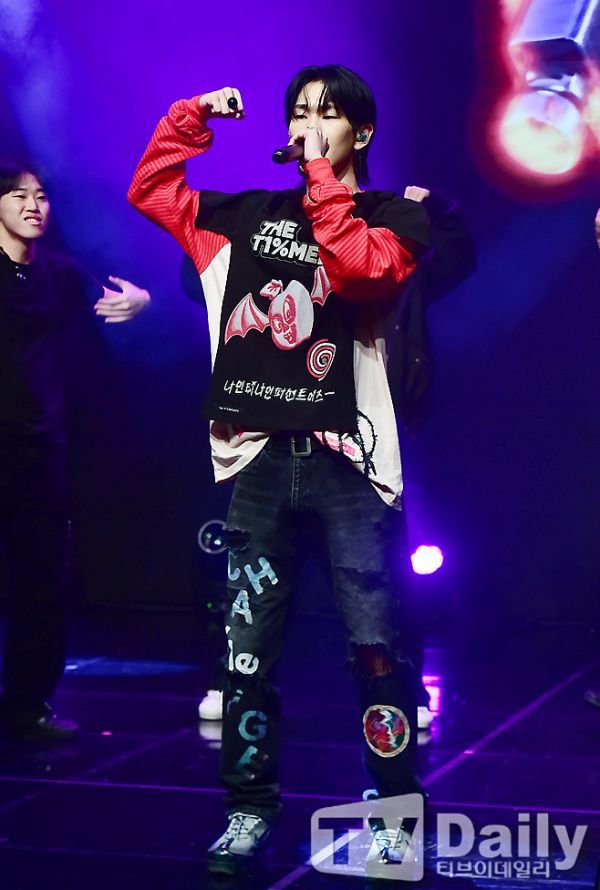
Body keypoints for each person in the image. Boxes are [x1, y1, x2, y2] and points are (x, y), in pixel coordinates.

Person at [129, 64, 435, 875]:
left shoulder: (396, 216)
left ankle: (394, 813)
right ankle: (248, 809)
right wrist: (192, 116)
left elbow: (358, 267)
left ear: (361, 132)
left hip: (350, 468)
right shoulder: (246, 217)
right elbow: (152, 190)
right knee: (246, 654)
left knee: (376, 649)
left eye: (327, 114)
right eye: (299, 112)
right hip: (262, 460)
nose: (309, 124)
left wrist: (321, 180)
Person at [0, 161, 150, 742]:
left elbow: (120, 294)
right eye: (18, 196)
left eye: (41, 196)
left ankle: (27, 706)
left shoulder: (58, 274)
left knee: (42, 582)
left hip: (39, 449)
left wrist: (139, 299)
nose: (33, 205)